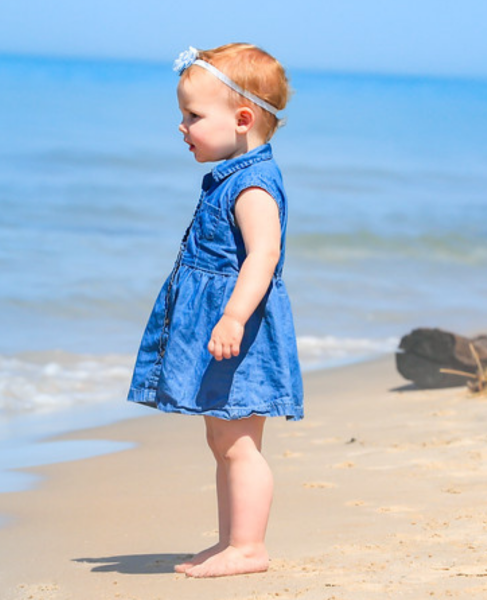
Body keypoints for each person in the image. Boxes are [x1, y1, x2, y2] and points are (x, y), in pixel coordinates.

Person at [126, 43, 303, 578]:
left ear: (243, 119)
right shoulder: (233, 176)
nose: (182, 127)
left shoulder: (251, 186)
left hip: (241, 332)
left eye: (193, 116)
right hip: (228, 328)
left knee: (239, 444)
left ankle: (249, 547)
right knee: (223, 437)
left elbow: (264, 255)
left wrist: (232, 316)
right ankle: (232, 540)